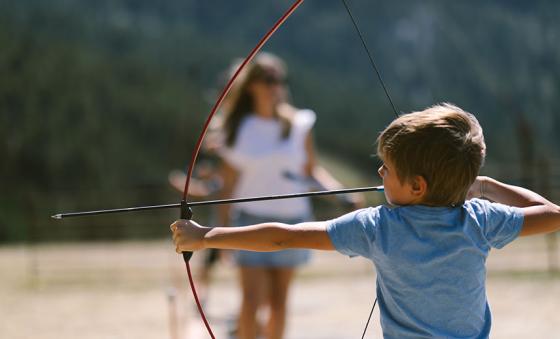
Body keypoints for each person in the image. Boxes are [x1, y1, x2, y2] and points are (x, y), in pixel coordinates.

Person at [171, 103, 560, 338]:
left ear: (418, 186)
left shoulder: (377, 227)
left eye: (387, 169)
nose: (380, 175)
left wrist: (205, 236)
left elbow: (283, 237)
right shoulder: (479, 219)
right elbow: (551, 215)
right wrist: (487, 185)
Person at [207, 52, 360, 339]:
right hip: (250, 222)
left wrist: (341, 194)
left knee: (278, 304)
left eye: (278, 79)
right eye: (268, 79)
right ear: (251, 85)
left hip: (294, 223)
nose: (274, 85)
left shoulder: (299, 125)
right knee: (251, 302)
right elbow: (227, 189)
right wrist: (222, 236)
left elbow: (312, 171)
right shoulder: (237, 130)